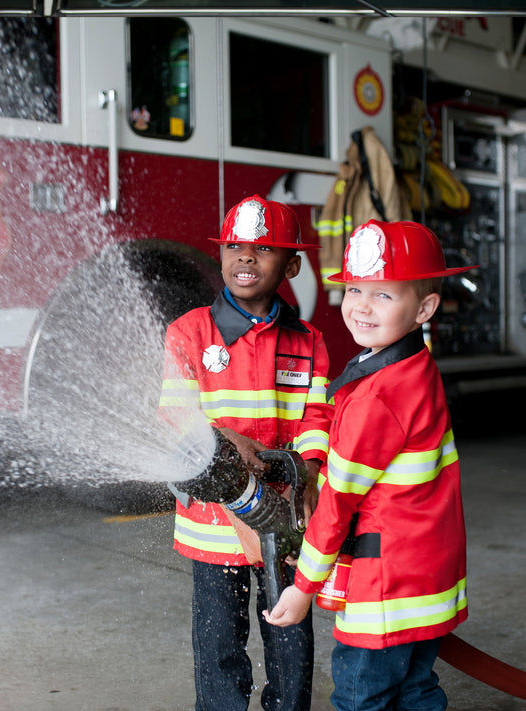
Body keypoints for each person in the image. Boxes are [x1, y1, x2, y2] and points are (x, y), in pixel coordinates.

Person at [264, 219, 472, 711]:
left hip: (385, 593)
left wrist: (302, 588)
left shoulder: (378, 395)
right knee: (417, 690)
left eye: (382, 295)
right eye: (355, 288)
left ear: (424, 308)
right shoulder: (414, 366)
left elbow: (339, 502)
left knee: (362, 699)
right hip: (428, 580)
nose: (360, 305)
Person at [158, 194, 332, 711]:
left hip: (283, 522)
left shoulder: (309, 342)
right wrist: (220, 437)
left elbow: (315, 420)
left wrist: (309, 476)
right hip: (212, 527)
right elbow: (173, 415)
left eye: (263, 249)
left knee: (290, 637)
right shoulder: (188, 333)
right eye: (234, 246)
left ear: (293, 265)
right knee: (218, 646)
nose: (246, 258)